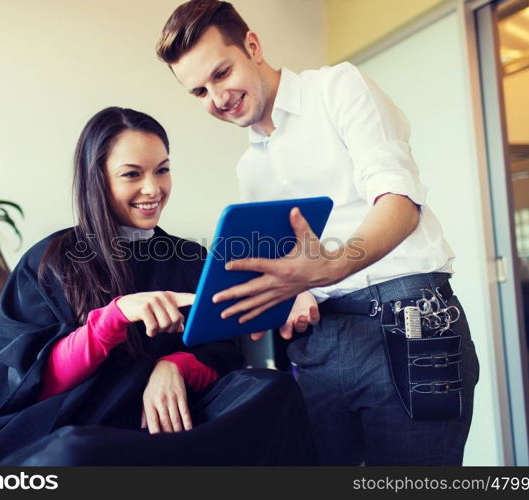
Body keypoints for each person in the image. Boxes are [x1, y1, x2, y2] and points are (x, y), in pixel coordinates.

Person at [156, 0, 480, 465]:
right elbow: (294, 269)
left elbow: (400, 203)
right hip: (320, 346)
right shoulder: (251, 168)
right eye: (199, 92)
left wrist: (333, 265)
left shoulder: (338, 88)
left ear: (252, 45)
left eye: (222, 74)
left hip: (406, 318)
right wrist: (295, 296)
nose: (217, 98)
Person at [0, 106, 316, 466]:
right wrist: (115, 316)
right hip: (81, 423)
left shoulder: (190, 257)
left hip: (174, 421)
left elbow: (221, 355)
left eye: (162, 170)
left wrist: (173, 366)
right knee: (75, 452)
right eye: (132, 174)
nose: (152, 188)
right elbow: (39, 382)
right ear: (97, 178)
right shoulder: (51, 261)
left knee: (274, 390)